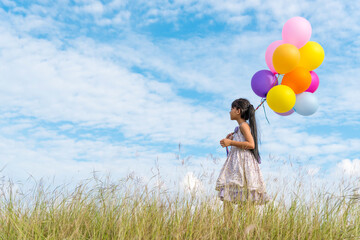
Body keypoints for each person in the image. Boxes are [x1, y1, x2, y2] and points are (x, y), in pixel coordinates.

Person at [215, 98, 269, 223]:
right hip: (237, 164)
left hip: (242, 165)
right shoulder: (239, 128)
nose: (230, 112)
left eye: (231, 109)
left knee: (239, 196)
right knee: (232, 195)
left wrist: (231, 142)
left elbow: (251, 144)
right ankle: (230, 225)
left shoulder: (244, 126)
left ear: (238, 111)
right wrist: (231, 140)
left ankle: (234, 225)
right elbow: (242, 143)